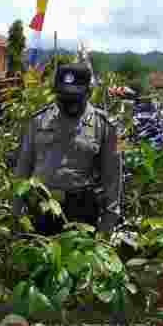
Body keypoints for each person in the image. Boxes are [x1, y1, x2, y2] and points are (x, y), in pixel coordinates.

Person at [12, 63, 122, 236]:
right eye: (63, 97)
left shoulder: (103, 126)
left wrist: (108, 222)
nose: (68, 103)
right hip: (41, 208)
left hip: (81, 213)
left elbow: (112, 177)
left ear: (88, 93)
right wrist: (16, 212)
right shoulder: (38, 121)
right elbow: (23, 168)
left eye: (75, 97)